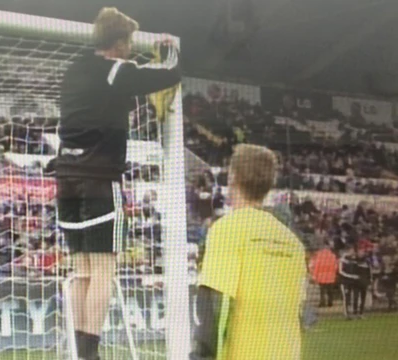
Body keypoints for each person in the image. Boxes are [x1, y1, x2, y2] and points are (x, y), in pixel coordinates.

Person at [55, 7, 181, 360]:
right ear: (121, 42)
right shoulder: (116, 71)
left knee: (81, 270)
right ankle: (90, 352)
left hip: (65, 178)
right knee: (103, 272)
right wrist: (170, 48)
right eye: (128, 42)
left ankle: (78, 352)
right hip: (98, 179)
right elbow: (170, 74)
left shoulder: (75, 70)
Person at [191, 144, 307, 360]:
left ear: (232, 177)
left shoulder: (227, 230)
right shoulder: (293, 242)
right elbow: (299, 311)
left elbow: (215, 306)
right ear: (269, 184)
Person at [338, 244, 359, 320]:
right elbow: (340, 271)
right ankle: (346, 314)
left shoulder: (352, 259)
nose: (353, 252)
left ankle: (351, 312)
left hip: (351, 282)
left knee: (350, 297)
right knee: (346, 298)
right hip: (344, 282)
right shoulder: (342, 260)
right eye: (352, 250)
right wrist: (351, 276)